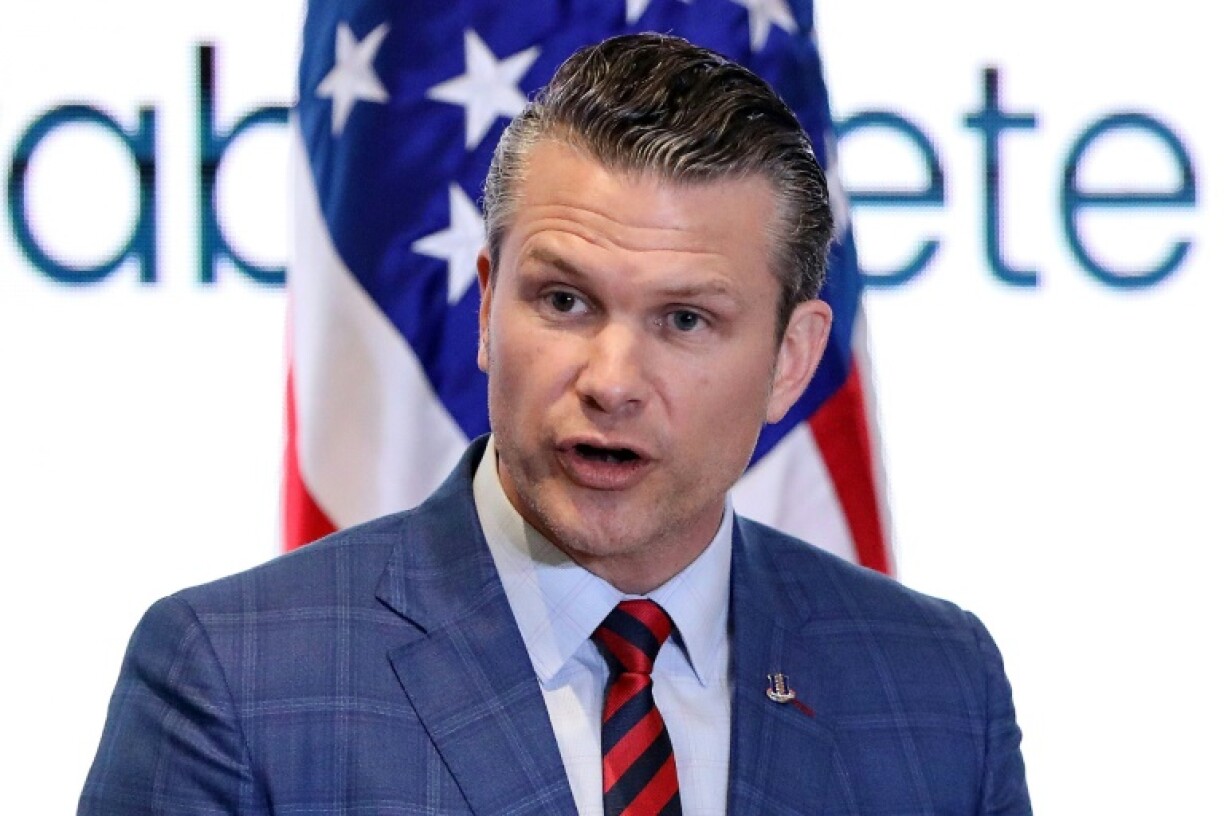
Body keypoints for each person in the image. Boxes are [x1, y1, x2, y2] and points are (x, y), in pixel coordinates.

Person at [79, 33, 1030, 815]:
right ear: (489, 305)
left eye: (685, 319)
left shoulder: (938, 687)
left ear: (791, 359)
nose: (612, 382)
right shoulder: (236, 679)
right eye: (566, 302)